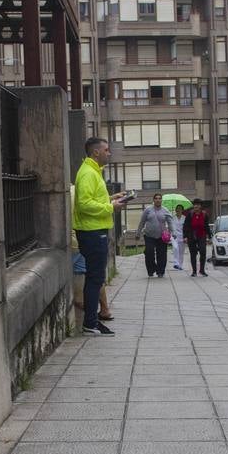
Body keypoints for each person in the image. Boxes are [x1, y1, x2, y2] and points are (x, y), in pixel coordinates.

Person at [73, 137, 128, 336]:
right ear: (96, 152)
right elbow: (84, 204)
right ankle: (90, 322)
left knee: (95, 277)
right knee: (95, 278)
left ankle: (92, 321)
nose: (109, 153)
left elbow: (92, 199)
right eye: (106, 149)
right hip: (92, 232)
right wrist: (110, 206)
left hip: (94, 230)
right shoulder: (88, 173)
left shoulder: (93, 172)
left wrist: (112, 198)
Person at [136, 193, 173, 278]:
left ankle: (160, 271)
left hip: (162, 236)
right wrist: (138, 233)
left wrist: (172, 233)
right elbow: (142, 222)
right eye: (156, 198)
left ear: (161, 200)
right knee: (149, 252)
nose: (158, 200)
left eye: (159, 198)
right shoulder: (148, 210)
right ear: (153, 200)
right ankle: (151, 270)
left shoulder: (165, 210)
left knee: (162, 254)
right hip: (149, 236)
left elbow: (170, 223)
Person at [184, 200, 209, 276]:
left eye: (198, 205)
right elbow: (186, 226)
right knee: (193, 253)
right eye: (195, 205)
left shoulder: (204, 214)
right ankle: (194, 271)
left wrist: (209, 236)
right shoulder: (190, 214)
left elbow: (206, 226)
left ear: (200, 206)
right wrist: (185, 236)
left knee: (203, 252)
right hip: (191, 235)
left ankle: (202, 270)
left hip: (202, 235)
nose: (196, 206)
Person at [170, 205, 186, 272]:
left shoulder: (185, 218)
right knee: (175, 248)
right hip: (174, 236)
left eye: (180, 209)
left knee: (181, 252)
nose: (178, 210)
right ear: (175, 210)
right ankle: (176, 263)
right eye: (177, 209)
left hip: (182, 236)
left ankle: (180, 265)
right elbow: (170, 226)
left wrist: (186, 236)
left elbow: (186, 228)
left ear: (182, 210)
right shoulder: (172, 218)